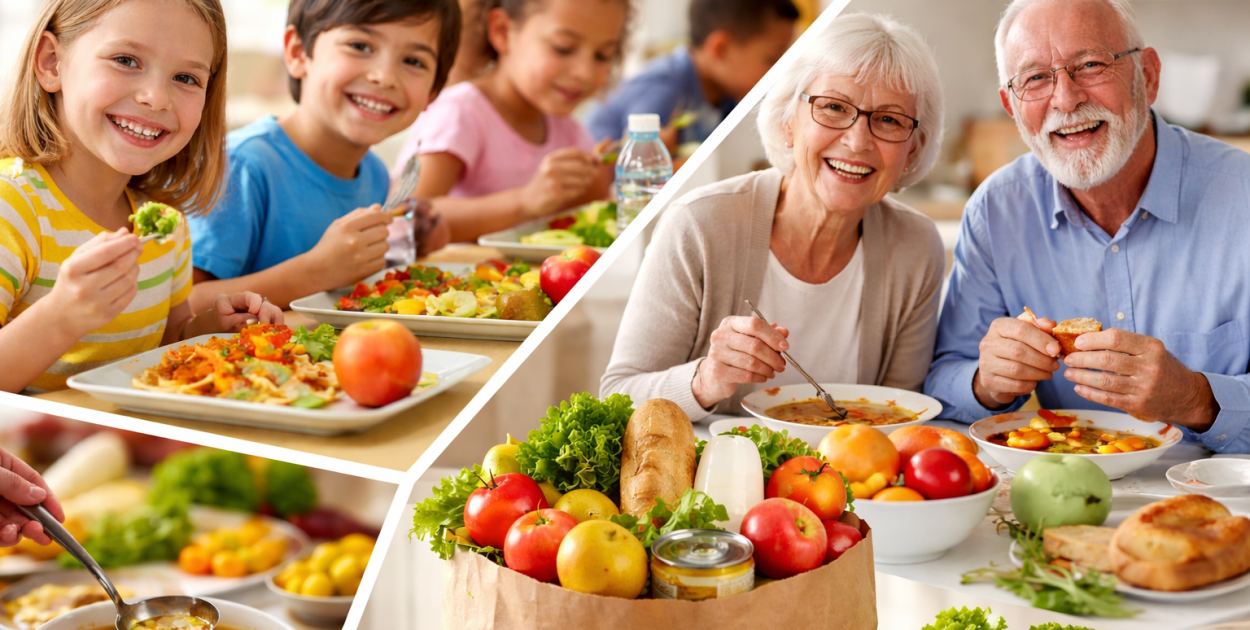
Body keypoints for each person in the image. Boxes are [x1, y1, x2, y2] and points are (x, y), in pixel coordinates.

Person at [924, 0, 1250, 453]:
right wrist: (986, 384)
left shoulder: (1243, 197)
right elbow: (942, 385)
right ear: (1012, 107)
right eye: (1035, 78)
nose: (1065, 98)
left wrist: (1197, 398)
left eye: (1091, 65)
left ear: (1149, 77)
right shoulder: (996, 211)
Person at [601, 14, 946, 421]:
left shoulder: (916, 247)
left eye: (889, 119)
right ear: (787, 122)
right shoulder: (699, 225)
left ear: (913, 149)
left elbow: (904, 418)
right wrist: (705, 380)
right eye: (834, 107)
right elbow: (617, 397)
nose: (857, 141)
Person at [0, 0, 281, 394]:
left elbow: (164, 347)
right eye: (126, 60)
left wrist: (211, 327)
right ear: (51, 62)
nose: (156, 98)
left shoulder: (167, 226)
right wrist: (62, 316)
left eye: (185, 77)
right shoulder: (12, 209)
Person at [186, 0, 461, 310]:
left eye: (413, 61)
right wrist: (315, 272)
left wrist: (403, 245)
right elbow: (186, 305)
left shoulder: (374, 173)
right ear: (298, 53)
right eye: (360, 45)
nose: (385, 76)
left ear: (434, 92)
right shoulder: (240, 166)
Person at [394, 0, 626, 247]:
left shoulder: (571, 132)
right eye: (563, 48)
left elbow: (573, 217)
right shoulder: (461, 112)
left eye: (602, 56)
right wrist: (525, 201)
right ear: (503, 32)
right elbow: (405, 216)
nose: (584, 73)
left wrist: (599, 179)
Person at [587, 0, 798, 147]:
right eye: (773, 59)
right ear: (720, 49)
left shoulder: (727, 94)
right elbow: (638, 169)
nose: (783, 71)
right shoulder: (663, 90)